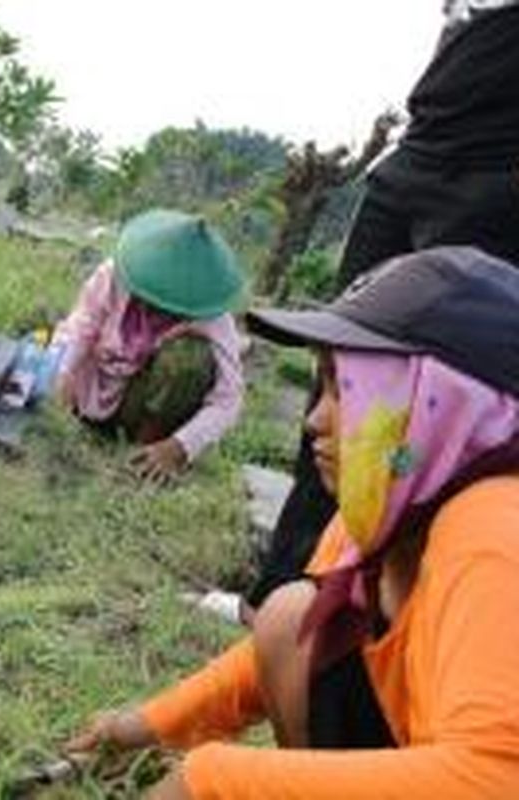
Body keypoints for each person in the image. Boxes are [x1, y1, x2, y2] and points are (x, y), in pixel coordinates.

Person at [66, 247, 519, 799]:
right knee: (290, 620)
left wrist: (215, 782)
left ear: (440, 405)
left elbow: (498, 779)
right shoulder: (383, 516)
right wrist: (142, 728)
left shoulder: (497, 529)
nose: (313, 421)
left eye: (344, 389)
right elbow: (278, 653)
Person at [249, 0, 519, 612]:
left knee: (428, 409)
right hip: (416, 157)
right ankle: (281, 590)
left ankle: (373, 607)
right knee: (341, 373)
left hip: (495, 176)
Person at [51, 209, 245, 484]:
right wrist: (63, 374)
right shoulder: (116, 274)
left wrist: (179, 447)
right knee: (59, 365)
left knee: (189, 357)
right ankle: (78, 416)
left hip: (139, 404)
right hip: (89, 390)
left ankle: (143, 450)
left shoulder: (210, 313)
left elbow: (229, 399)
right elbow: (81, 327)